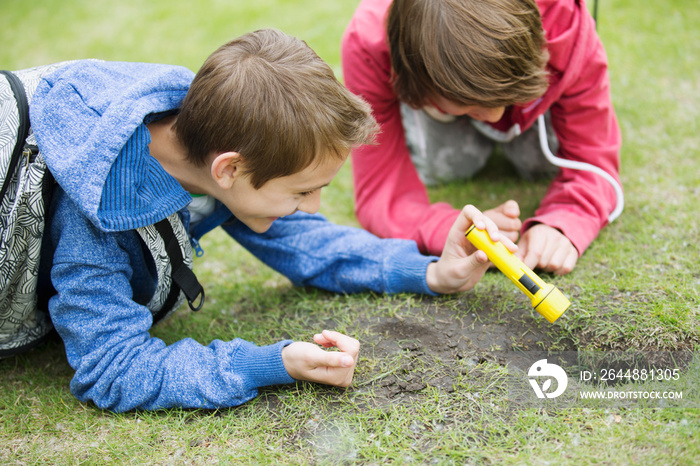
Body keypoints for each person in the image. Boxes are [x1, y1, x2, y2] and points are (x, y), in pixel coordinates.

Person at [29, 29, 513, 412]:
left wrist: (430, 272)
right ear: (230, 168)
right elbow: (113, 369)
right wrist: (268, 363)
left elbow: (303, 242)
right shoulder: (93, 206)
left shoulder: (204, 133)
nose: (314, 206)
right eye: (303, 191)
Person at [341, 0, 622, 276]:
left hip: (537, 75)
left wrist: (564, 223)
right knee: (447, 168)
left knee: (540, 165)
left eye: (505, 98)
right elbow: (380, 190)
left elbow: (594, 159)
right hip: (428, 91)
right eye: (472, 104)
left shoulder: (565, 19)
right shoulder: (368, 41)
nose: (494, 115)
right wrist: (448, 229)